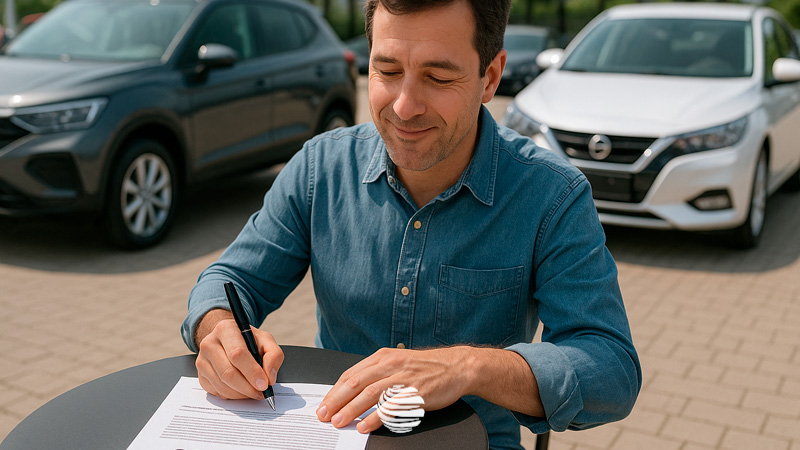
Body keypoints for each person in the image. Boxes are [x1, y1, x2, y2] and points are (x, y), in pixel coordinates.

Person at [181, 0, 642, 448]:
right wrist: (217, 329)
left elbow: (611, 368)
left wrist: (467, 368)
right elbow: (229, 280)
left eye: (438, 77)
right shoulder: (320, 169)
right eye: (386, 71)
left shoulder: (551, 196)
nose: (404, 106)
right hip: (336, 434)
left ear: (491, 78)